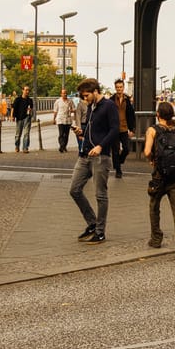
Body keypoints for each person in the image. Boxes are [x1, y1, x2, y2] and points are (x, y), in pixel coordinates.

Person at [69, 78, 119, 245]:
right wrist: (81, 131)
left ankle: (100, 232)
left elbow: (114, 130)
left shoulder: (109, 106)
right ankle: (92, 223)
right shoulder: (91, 107)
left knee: (100, 195)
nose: (85, 99)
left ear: (95, 91)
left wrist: (100, 146)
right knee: (74, 189)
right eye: (83, 96)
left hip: (100, 156)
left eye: (86, 95)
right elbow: (93, 129)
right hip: (85, 154)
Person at [143, 101, 175, 258]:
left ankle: (156, 238)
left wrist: (153, 160)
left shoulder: (153, 130)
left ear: (158, 115)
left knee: (154, 206)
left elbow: (146, 151)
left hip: (159, 176)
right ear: (172, 115)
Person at [110, 79, 136, 178]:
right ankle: (118, 170)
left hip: (124, 128)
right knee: (115, 150)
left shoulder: (127, 100)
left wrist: (132, 129)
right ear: (115, 88)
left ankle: (119, 160)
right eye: (117, 87)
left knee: (126, 149)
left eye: (120, 87)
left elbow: (131, 115)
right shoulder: (111, 100)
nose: (119, 89)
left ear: (123, 87)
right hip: (114, 129)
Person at [12, 86, 34, 153]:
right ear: (22, 90)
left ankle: (25, 148)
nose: (27, 91)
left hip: (27, 118)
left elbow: (31, 109)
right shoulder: (18, 99)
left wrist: (30, 111)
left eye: (28, 90)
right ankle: (17, 146)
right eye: (26, 90)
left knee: (26, 133)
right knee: (18, 134)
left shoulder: (30, 100)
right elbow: (13, 108)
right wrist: (12, 116)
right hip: (19, 118)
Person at [53, 88, 75, 153]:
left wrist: (71, 110)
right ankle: (61, 146)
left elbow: (74, 109)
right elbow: (55, 111)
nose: (64, 94)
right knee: (61, 134)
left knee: (66, 135)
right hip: (60, 119)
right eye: (63, 93)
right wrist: (54, 119)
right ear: (61, 94)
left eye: (65, 93)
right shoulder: (58, 101)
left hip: (68, 119)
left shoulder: (70, 101)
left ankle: (64, 146)